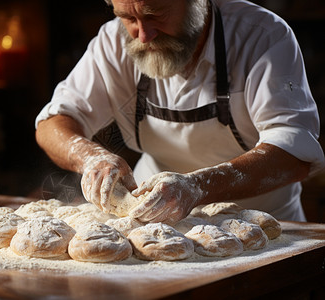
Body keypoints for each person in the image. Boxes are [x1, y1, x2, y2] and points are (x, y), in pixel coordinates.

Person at [35, 0, 325, 223]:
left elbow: (293, 152)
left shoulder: (261, 37)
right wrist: (90, 158)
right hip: (152, 221)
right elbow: (53, 123)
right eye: (128, 18)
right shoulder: (112, 43)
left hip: (260, 224)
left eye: (154, 15)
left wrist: (196, 187)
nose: (144, 36)